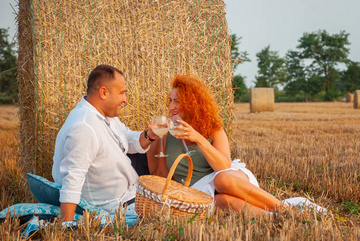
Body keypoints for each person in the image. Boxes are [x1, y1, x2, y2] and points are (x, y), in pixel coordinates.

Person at [146, 74, 303, 215]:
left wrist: (198, 138)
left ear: (192, 103)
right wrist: (159, 142)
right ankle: (283, 218)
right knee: (225, 201)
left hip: (229, 179)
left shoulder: (213, 128)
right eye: (171, 101)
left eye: (177, 102)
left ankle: (285, 209)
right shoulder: (165, 133)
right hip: (198, 191)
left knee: (221, 180)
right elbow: (160, 178)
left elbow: (223, 166)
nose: (171, 107)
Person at [52, 64, 158, 222]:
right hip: (117, 207)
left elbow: (128, 139)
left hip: (131, 197)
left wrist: (149, 135)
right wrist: (67, 224)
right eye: (122, 93)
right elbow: (73, 176)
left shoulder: (106, 116)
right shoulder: (84, 127)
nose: (125, 99)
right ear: (103, 92)